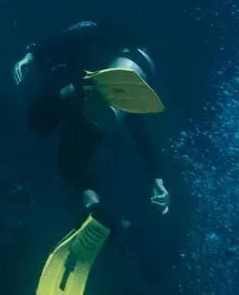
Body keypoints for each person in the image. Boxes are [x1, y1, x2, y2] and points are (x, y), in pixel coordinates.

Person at [16, 19, 171, 222]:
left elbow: (65, 40)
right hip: (95, 118)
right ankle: (93, 204)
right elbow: (140, 134)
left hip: (80, 100)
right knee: (70, 167)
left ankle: (93, 205)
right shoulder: (124, 91)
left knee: (42, 125)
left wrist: (32, 54)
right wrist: (156, 176)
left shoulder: (95, 38)